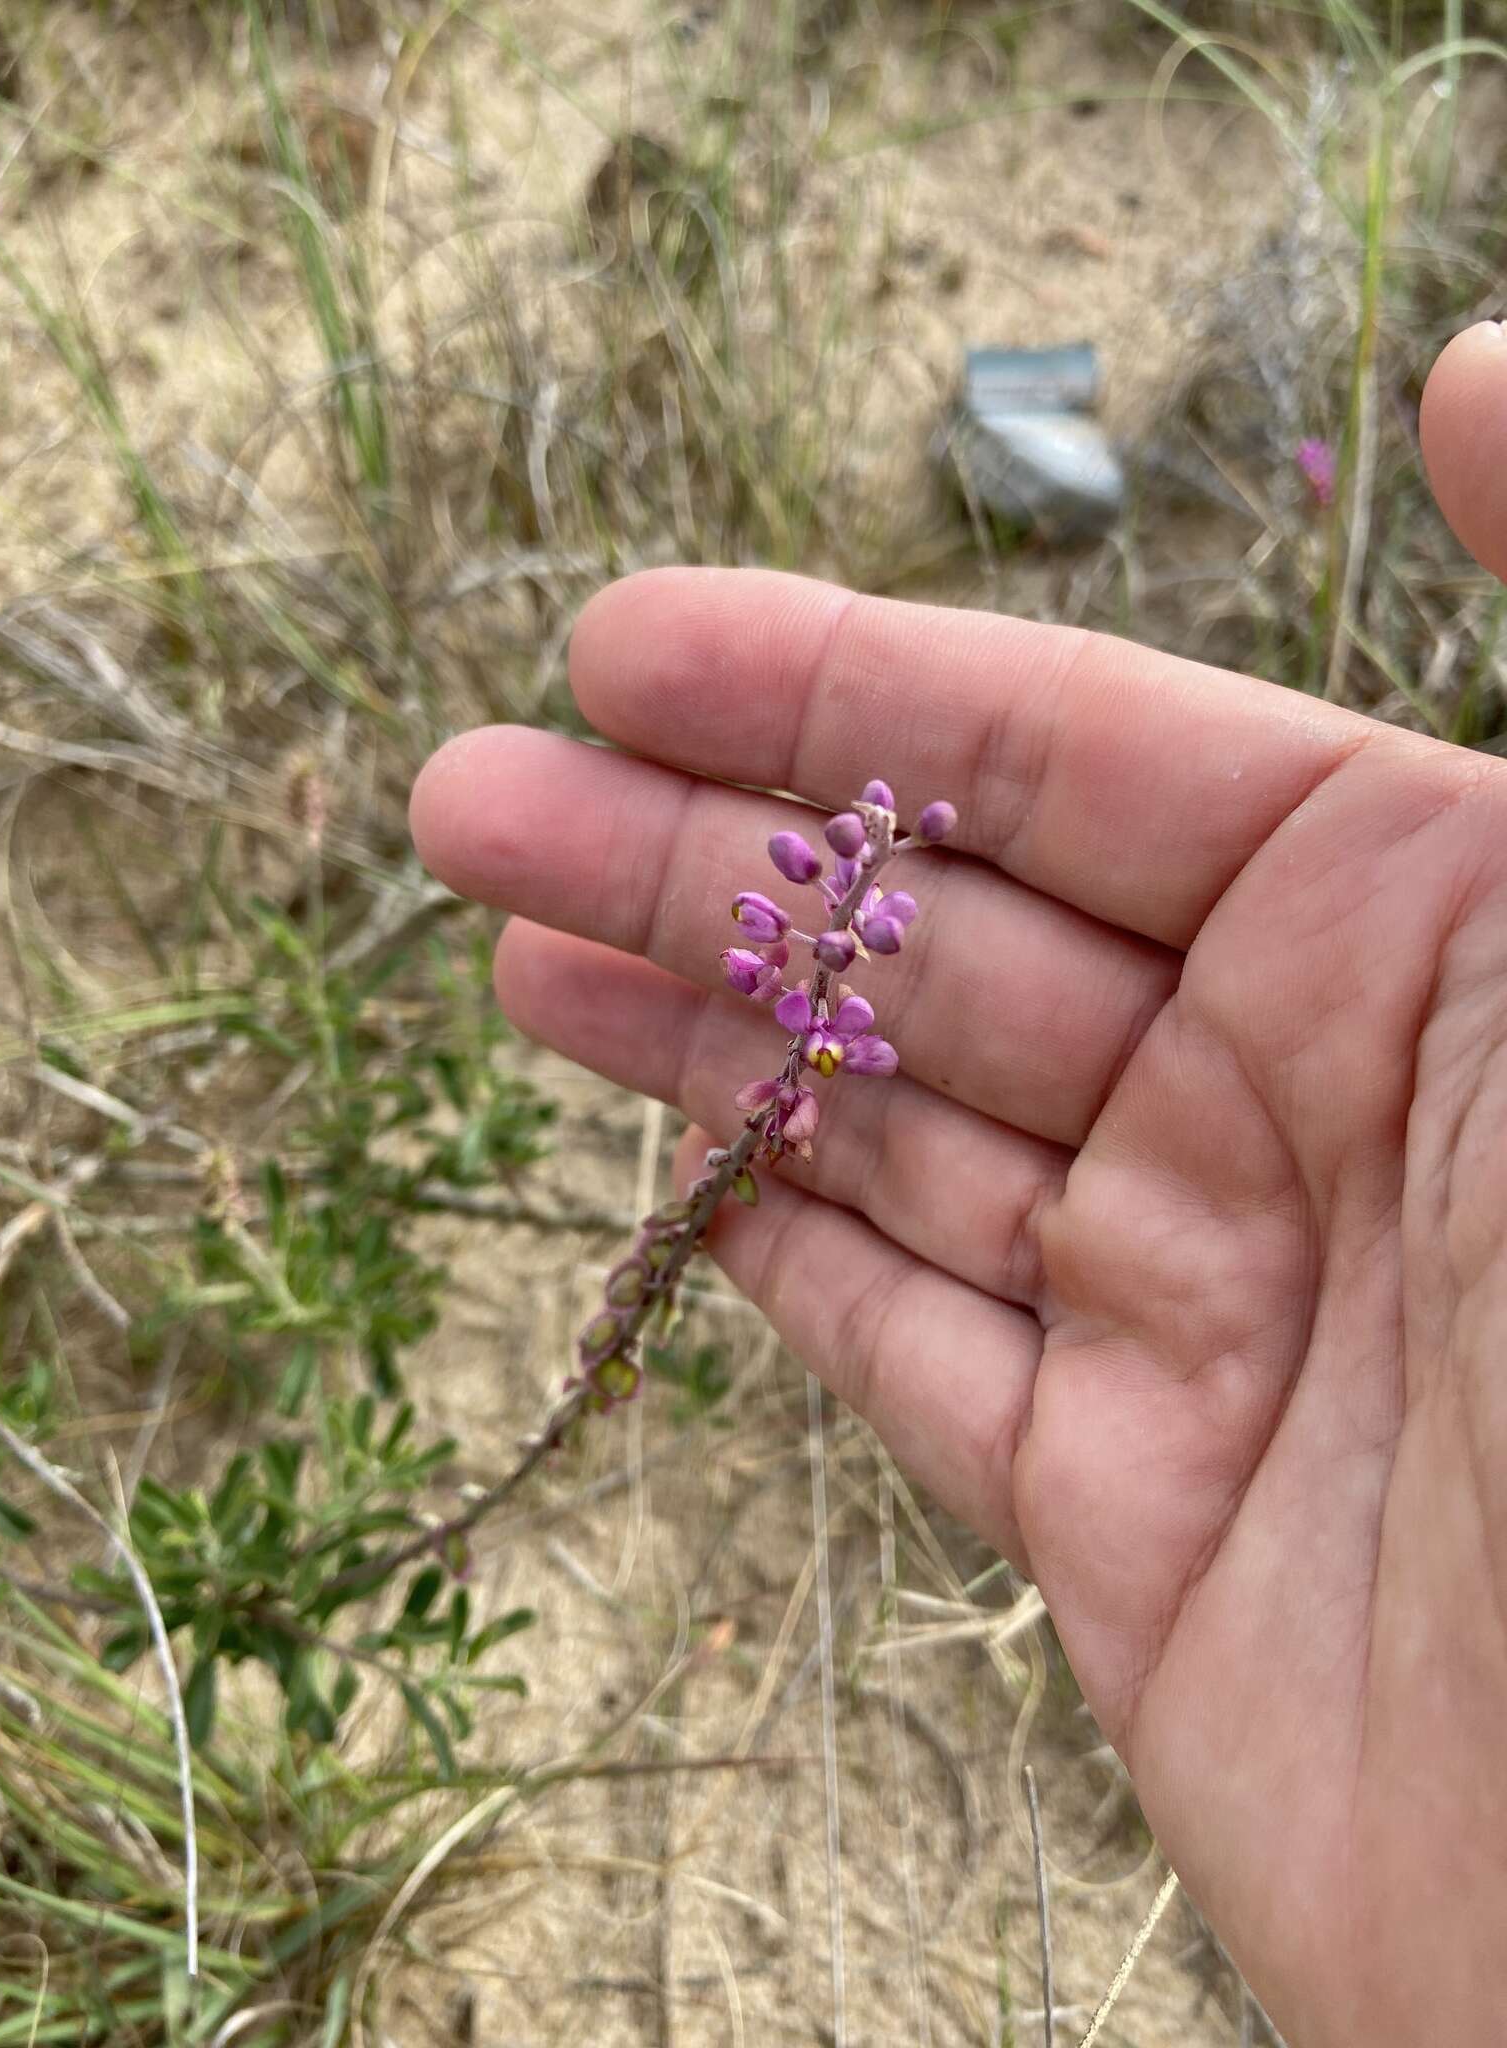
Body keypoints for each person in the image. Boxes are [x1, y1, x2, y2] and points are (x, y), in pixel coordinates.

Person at [409, 324, 1507, 2045]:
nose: (818, 920)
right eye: (823, 919)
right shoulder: (822, 946)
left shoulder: (854, 952)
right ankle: (521, 1440)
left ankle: (567, 1397)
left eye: (817, 923)